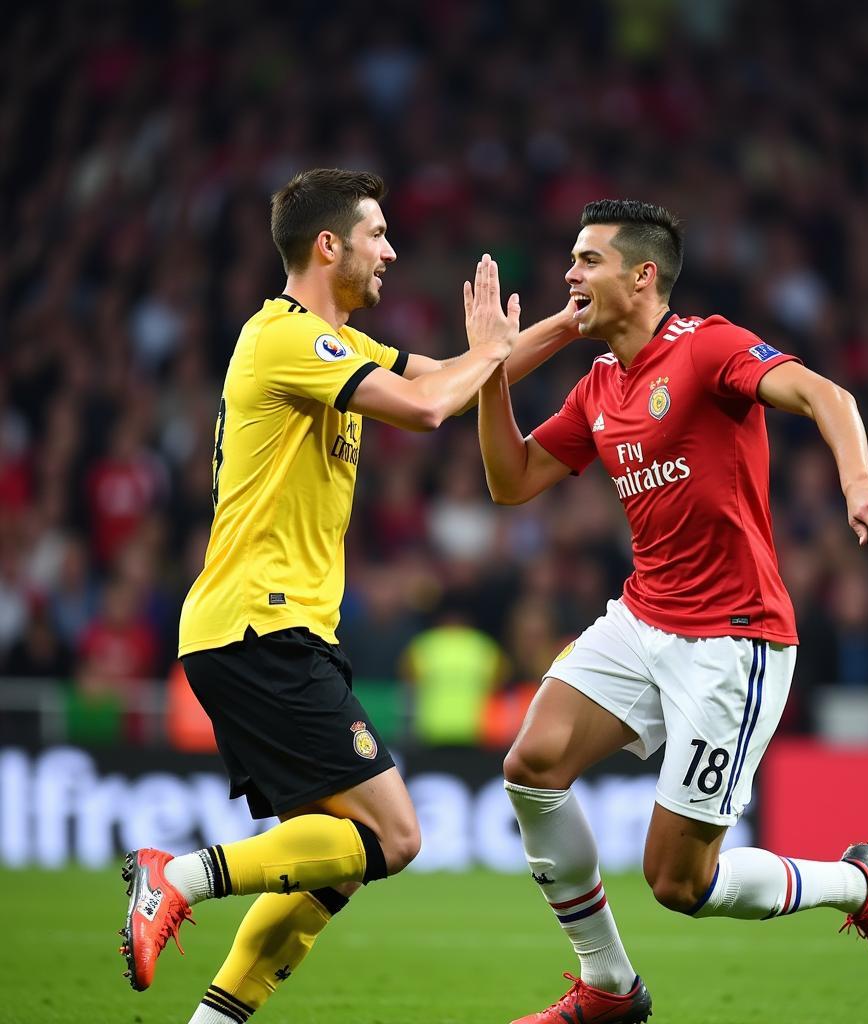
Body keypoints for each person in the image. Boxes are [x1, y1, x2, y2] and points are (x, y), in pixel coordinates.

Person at [119, 168, 569, 1023]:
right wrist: (487, 357)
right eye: (377, 234)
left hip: (270, 630)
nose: (392, 251)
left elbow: (451, 371)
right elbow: (434, 405)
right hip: (260, 624)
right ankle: (174, 875)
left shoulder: (335, 346)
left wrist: (572, 325)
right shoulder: (281, 338)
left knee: (336, 858)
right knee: (394, 837)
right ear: (329, 246)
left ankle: (214, 1018)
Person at [474, 200, 868, 1024]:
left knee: (680, 884)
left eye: (588, 260)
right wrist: (490, 373)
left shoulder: (708, 347)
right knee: (531, 766)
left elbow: (827, 393)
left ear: (642, 276)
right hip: (644, 619)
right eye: (570, 260)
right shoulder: (600, 384)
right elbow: (512, 481)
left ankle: (857, 883)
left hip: (733, 640)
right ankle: (608, 987)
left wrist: (856, 478)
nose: (570, 275)